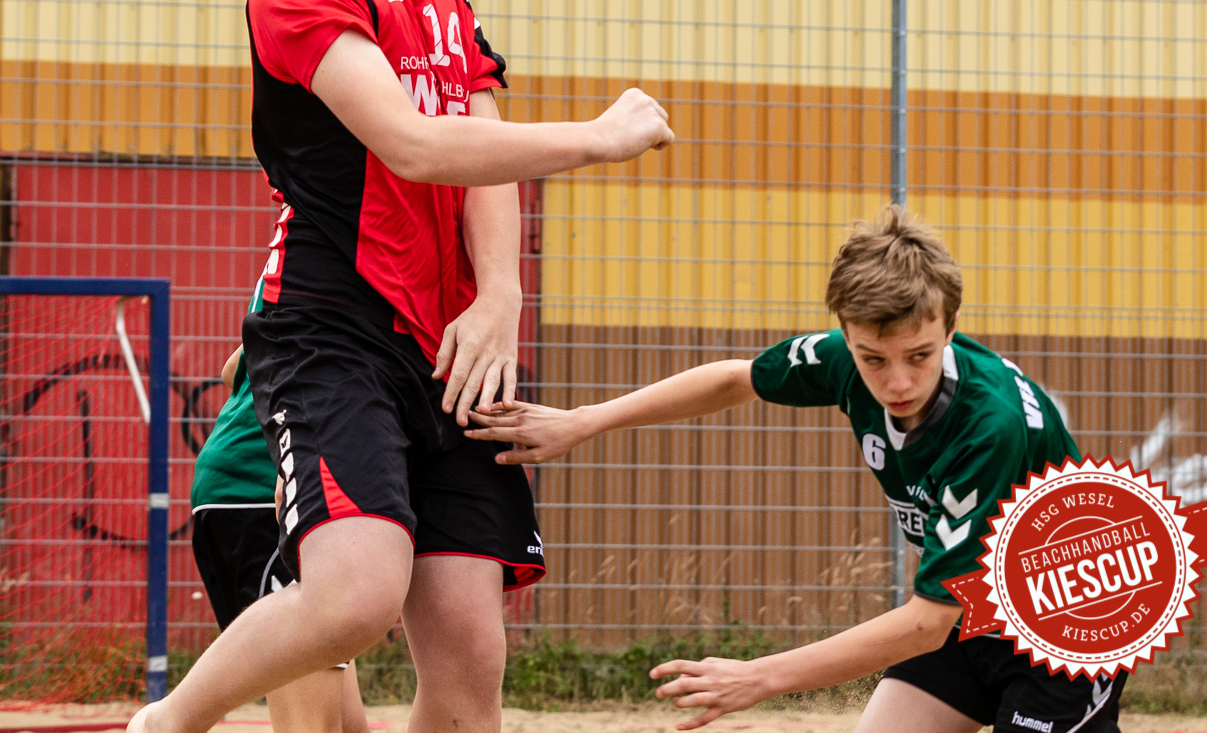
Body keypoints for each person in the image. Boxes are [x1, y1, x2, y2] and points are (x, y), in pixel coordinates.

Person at [129, 0, 672, 733]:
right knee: (354, 597)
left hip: (450, 347)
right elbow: (417, 144)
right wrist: (596, 138)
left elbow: (480, 141)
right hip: (334, 329)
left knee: (469, 679)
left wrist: (500, 291)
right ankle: (164, 722)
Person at [467, 206, 1125, 733]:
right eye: (873, 358)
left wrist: (762, 676)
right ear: (847, 334)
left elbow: (925, 619)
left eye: (919, 355)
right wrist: (584, 422)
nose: (896, 380)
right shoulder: (846, 360)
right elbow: (734, 379)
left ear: (950, 326)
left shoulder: (990, 428)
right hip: (970, 618)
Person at [188, 280, 368, 733]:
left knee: (347, 726)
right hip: (267, 491)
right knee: (310, 723)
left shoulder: (292, 262)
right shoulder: (365, 259)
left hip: (222, 486)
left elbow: (236, 368)